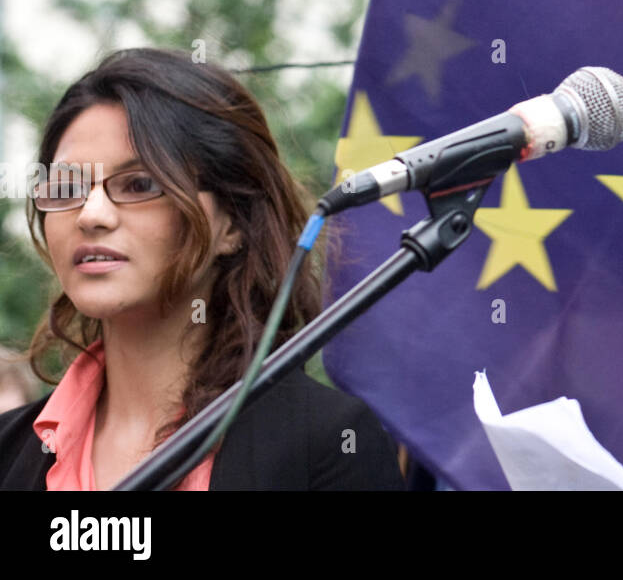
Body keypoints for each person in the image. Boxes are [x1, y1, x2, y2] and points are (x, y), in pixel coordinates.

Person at [0, 47, 405, 490]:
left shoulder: (327, 445)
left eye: (140, 184)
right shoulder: (9, 451)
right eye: (68, 187)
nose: (91, 214)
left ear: (231, 223)